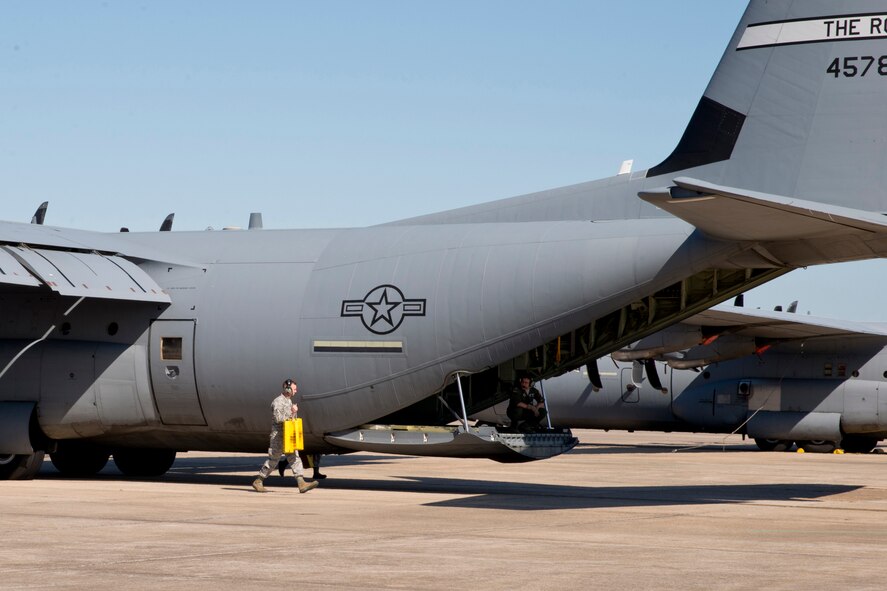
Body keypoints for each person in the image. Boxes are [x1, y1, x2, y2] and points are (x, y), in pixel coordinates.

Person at [252, 378, 319, 493]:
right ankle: (258, 481)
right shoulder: (278, 402)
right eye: (294, 389)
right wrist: (292, 412)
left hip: (288, 435)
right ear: (287, 389)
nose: (296, 391)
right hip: (278, 437)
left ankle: (301, 483)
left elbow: (290, 419)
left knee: (294, 458)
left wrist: (293, 414)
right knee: (273, 460)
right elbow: (278, 419)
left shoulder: (288, 401)